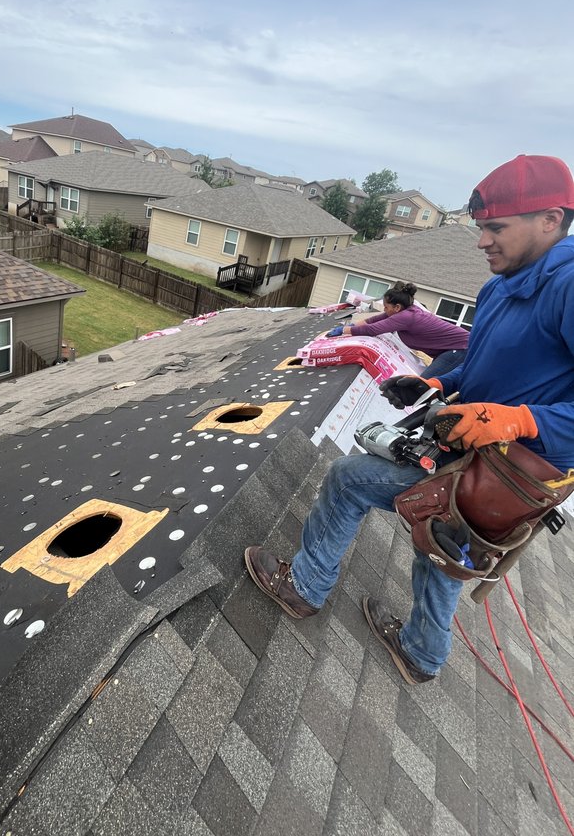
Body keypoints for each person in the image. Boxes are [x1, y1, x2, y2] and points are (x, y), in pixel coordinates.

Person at [245, 154, 574, 685]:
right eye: (480, 227)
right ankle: (422, 653)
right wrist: (438, 384)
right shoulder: (500, 286)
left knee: (348, 480)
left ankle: (303, 588)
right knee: (444, 539)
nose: (482, 241)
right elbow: (487, 361)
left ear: (550, 220)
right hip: (468, 450)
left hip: (510, 473)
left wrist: (516, 420)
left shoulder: (568, 287)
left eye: (496, 227)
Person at [327, 281, 469, 379]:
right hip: (451, 349)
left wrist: (344, 330)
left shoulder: (406, 317)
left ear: (397, 307)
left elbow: (373, 329)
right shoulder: (405, 312)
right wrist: (352, 326)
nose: (384, 309)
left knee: (422, 383)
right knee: (433, 380)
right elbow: (374, 320)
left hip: (461, 348)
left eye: (386, 307)